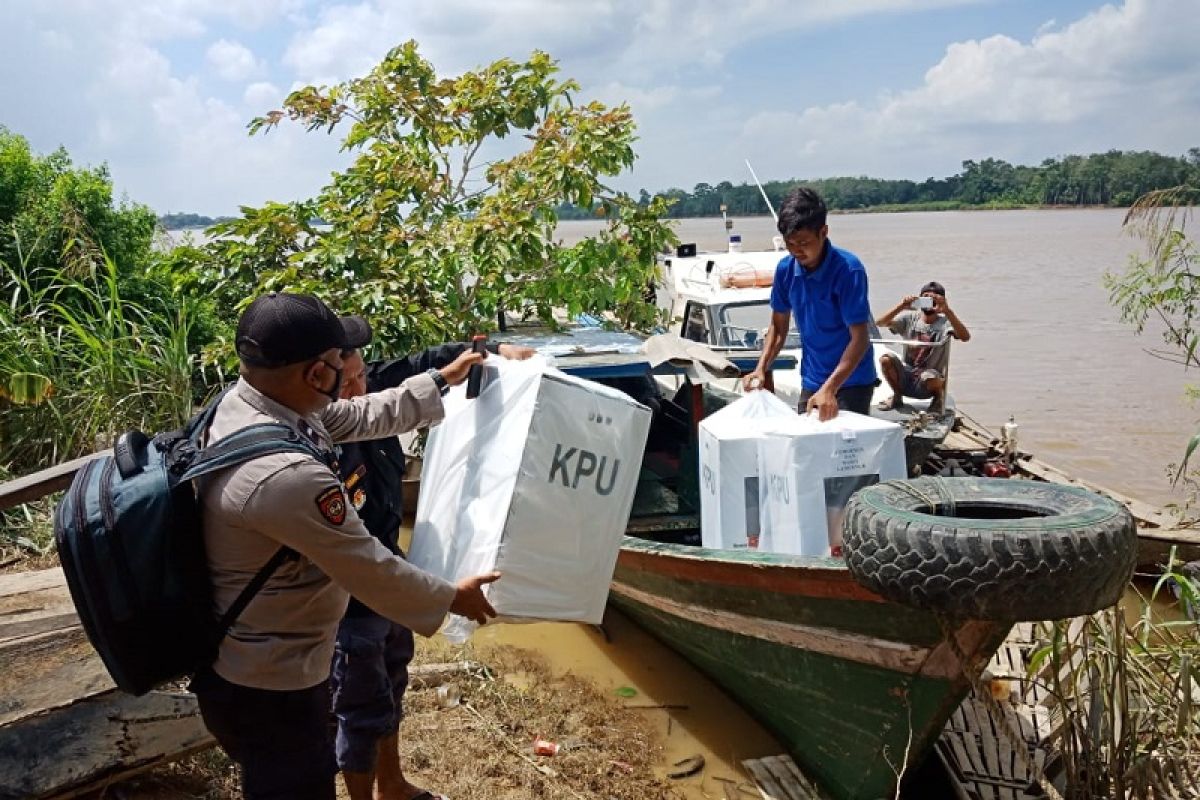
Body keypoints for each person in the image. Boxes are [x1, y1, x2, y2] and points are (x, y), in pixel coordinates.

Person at [190, 291, 501, 800]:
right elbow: (367, 566)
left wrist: (444, 378)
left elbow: (364, 414)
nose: (351, 371)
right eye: (340, 363)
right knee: (298, 784)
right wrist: (452, 597)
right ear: (316, 375)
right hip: (271, 683)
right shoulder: (285, 475)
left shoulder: (256, 405)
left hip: (251, 661)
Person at [331, 339, 534, 800]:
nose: (361, 387)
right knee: (359, 706)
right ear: (318, 383)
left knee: (394, 680)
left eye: (363, 374)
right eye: (347, 382)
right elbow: (349, 556)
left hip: (389, 569)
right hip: (349, 591)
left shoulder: (370, 395)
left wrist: (493, 348)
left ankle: (394, 785)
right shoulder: (318, 444)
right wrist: (441, 595)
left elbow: (423, 363)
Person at [742, 187, 877, 420]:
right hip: (812, 379)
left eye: (803, 243)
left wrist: (831, 388)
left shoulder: (848, 270)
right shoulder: (785, 270)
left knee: (843, 453)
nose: (796, 251)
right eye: (790, 244)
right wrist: (761, 368)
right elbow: (777, 329)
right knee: (805, 449)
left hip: (852, 381)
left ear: (823, 232)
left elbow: (860, 338)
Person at [874, 280, 971, 414]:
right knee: (886, 359)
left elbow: (965, 337)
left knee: (930, 376)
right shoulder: (910, 318)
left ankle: (938, 399)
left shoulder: (945, 323)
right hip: (907, 374)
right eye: (925, 297)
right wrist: (901, 306)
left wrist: (948, 311)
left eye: (934, 298)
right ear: (919, 299)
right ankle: (897, 396)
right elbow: (880, 323)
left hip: (929, 379)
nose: (929, 301)